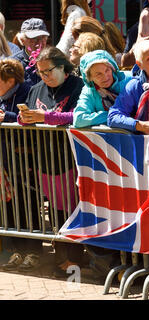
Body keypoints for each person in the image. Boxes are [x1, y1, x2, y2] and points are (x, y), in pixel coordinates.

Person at [18, 46, 85, 277]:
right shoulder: (36, 89)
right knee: (56, 212)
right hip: (44, 160)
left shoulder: (78, 85)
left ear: (63, 67)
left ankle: (75, 259)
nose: (45, 76)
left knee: (73, 209)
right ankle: (60, 259)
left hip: (71, 159)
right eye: (41, 72)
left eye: (48, 71)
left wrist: (44, 117)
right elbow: (26, 120)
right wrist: (24, 118)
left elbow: (79, 116)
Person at [0, 59, 39, 273]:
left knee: (28, 202)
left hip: (26, 158)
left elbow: (31, 117)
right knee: (10, 204)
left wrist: (9, 116)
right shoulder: (3, 96)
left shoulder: (27, 91)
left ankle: (33, 252)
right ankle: (17, 250)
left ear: (10, 80)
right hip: (7, 160)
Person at [108, 40, 149, 135]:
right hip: (144, 144)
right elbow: (113, 117)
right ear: (139, 64)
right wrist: (139, 125)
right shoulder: (134, 86)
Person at [73, 50, 133, 128]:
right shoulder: (89, 91)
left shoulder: (129, 79)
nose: (105, 77)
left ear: (112, 68)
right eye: (99, 74)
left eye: (107, 70)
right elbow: (79, 120)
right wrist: (113, 116)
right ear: (90, 78)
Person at [11, 18, 49, 86]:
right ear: (22, 40)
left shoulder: (53, 60)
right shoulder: (13, 65)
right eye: (34, 38)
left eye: (43, 37)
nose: (39, 43)